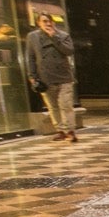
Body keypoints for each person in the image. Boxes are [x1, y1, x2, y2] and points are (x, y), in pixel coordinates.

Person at [25, 13, 77, 142]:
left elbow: (69, 51)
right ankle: (60, 130)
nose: (48, 24)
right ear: (39, 23)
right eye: (44, 21)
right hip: (45, 78)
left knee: (66, 105)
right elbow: (30, 57)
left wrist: (54, 37)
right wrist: (32, 76)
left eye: (50, 21)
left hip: (64, 76)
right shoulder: (32, 37)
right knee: (53, 106)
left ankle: (70, 130)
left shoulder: (63, 35)